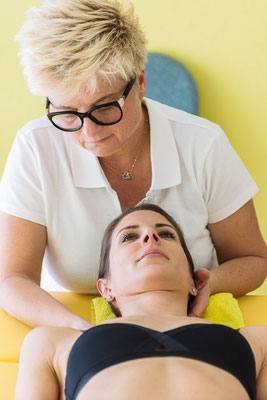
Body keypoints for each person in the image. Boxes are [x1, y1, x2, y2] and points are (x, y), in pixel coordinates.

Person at [0, 0, 266, 330]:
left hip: (188, 321)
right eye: (67, 112)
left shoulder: (203, 144)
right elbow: (11, 280)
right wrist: (84, 333)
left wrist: (208, 283)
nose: (89, 132)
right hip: (75, 321)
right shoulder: (36, 147)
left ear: (140, 83)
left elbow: (253, 260)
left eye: (105, 107)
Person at [15, 204, 267, 400]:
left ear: (195, 282)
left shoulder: (261, 343)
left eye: (166, 234)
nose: (149, 235)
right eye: (128, 237)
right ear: (105, 287)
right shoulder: (51, 343)